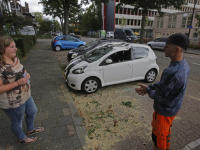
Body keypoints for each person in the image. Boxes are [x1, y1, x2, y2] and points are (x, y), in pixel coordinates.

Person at [135, 33, 190, 150]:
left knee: (158, 137)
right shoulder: (184, 64)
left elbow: (159, 96)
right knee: (166, 132)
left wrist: (148, 90)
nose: (164, 48)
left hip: (164, 113)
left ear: (177, 49)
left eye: (167, 46)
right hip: (173, 108)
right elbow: (166, 85)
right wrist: (150, 87)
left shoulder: (172, 71)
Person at [0, 36, 44, 144]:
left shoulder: (15, 58)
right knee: (17, 122)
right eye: (12, 47)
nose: (15, 48)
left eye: (15, 46)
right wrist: (18, 83)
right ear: (2, 49)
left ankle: (30, 129)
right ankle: (21, 138)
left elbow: (22, 69)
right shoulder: (1, 67)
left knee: (32, 111)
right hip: (12, 102)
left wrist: (26, 74)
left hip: (25, 95)